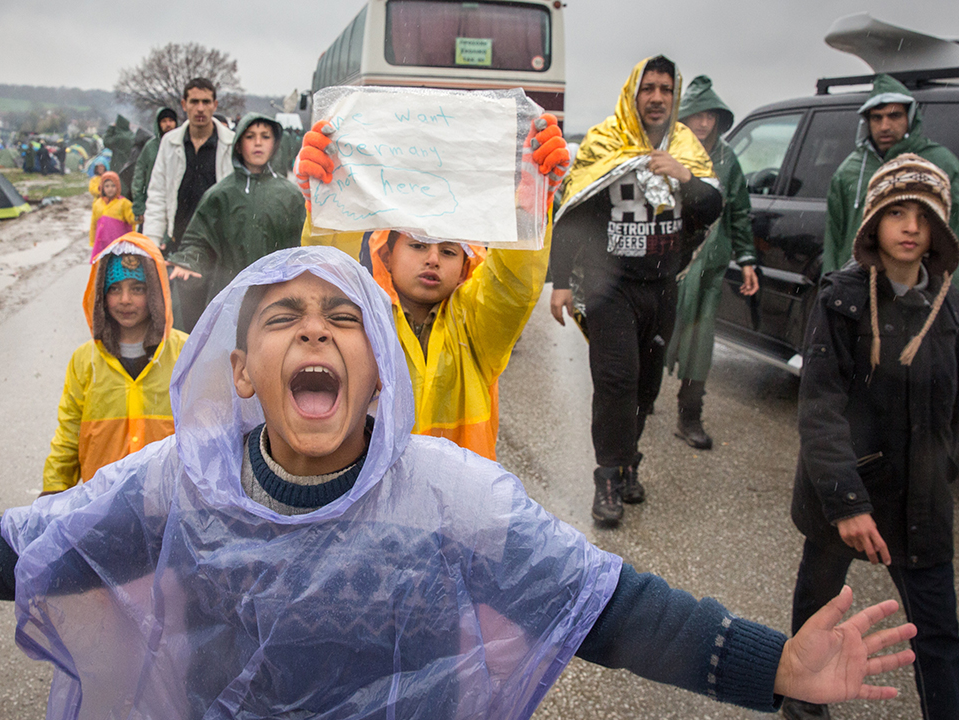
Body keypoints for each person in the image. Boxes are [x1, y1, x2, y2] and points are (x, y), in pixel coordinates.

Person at [0, 247, 917, 719]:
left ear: (376, 373)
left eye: (342, 321)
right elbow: (33, 542)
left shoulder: (449, 494)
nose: (314, 334)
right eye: (284, 319)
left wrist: (775, 667)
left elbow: (613, 610)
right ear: (242, 370)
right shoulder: (184, 483)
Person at [784, 155, 959, 720]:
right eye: (897, 213)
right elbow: (820, 408)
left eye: (924, 215)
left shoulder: (951, 305)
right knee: (821, 609)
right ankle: (803, 704)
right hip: (844, 493)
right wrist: (847, 504)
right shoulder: (841, 299)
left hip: (923, 496)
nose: (911, 227)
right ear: (872, 224)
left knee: (937, 633)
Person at [295, 114, 567, 460]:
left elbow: (510, 285)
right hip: (370, 501)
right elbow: (323, 284)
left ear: (465, 265)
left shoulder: (476, 327)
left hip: (461, 503)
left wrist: (528, 211)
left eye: (449, 250)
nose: (433, 259)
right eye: (418, 245)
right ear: (387, 254)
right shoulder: (360, 318)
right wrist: (331, 208)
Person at [549, 55, 722, 525]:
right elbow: (574, 212)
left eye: (666, 89)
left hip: (663, 286)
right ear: (633, 93)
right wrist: (561, 281)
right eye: (649, 88)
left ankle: (628, 462)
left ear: (675, 96)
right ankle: (607, 478)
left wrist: (684, 176)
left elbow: (711, 208)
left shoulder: (686, 147)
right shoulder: (605, 142)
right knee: (616, 381)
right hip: (611, 287)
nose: (658, 97)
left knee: (647, 385)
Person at [40, 233, 187, 495]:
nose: (125, 300)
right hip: (102, 503)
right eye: (115, 288)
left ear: (154, 292)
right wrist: (53, 490)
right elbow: (69, 433)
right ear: (101, 296)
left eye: (137, 289)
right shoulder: (84, 361)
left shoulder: (184, 353)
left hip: (168, 500)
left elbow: (208, 430)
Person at [664, 75, 760, 449]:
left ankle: (690, 416)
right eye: (696, 116)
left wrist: (747, 258)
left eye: (711, 116)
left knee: (700, 342)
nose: (704, 123)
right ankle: (643, 399)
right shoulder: (668, 151)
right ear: (683, 118)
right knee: (657, 334)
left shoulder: (727, 158)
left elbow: (738, 210)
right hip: (669, 263)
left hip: (710, 266)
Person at [166, 112, 305, 331]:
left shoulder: (291, 195)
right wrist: (189, 260)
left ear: (275, 144)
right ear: (239, 145)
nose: (258, 143)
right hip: (229, 297)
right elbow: (199, 240)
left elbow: (303, 247)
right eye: (250, 136)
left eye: (265, 136)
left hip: (278, 299)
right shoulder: (220, 194)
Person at [822, 74, 959, 275]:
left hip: (920, 284)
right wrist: (831, 283)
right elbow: (834, 237)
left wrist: (948, 290)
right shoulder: (850, 170)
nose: (885, 126)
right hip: (860, 285)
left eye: (894, 116)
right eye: (877, 118)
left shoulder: (940, 164)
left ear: (910, 117)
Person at [143, 78, 236, 331]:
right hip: (180, 244)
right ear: (184, 105)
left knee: (218, 319)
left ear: (215, 104)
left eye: (206, 102)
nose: (200, 108)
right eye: (194, 102)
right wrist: (150, 245)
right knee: (181, 319)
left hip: (218, 248)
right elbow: (158, 194)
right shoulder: (170, 142)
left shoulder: (229, 143)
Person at [130, 106, 179, 232]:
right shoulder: (150, 148)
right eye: (164, 121)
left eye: (171, 120)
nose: (168, 124)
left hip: (178, 203)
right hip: (153, 202)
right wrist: (139, 207)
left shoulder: (182, 145)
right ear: (158, 124)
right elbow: (139, 177)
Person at [88, 170, 135, 258]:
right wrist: (92, 241)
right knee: (102, 266)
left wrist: (137, 216)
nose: (110, 189)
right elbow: (94, 224)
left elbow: (131, 220)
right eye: (107, 186)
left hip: (119, 244)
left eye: (113, 186)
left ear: (118, 187)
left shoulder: (124, 203)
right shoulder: (97, 204)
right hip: (102, 244)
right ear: (102, 188)